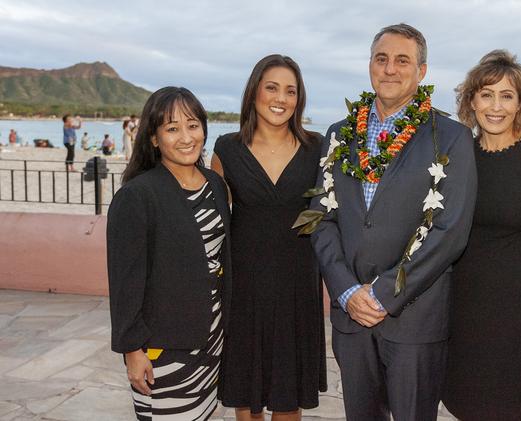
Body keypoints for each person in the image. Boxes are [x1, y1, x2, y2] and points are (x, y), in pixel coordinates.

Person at [307, 24, 477, 420]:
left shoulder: (450, 137)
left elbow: (450, 231)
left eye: (402, 60)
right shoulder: (339, 134)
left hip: (414, 321)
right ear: (370, 64)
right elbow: (322, 218)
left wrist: (384, 292)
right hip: (351, 318)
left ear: (422, 71)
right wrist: (347, 291)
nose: (389, 69)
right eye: (381, 59)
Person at [442, 50, 521, 420]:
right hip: (460, 301)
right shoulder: (455, 155)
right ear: (471, 101)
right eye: (487, 94)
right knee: (463, 403)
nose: (496, 106)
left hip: (515, 307)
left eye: (506, 95)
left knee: (503, 407)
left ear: (520, 103)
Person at [212, 54, 326, 421]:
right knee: (246, 395)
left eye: (291, 91)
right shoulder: (226, 149)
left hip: (297, 287)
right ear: (254, 92)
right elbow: (213, 222)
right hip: (244, 288)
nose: (281, 98)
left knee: (288, 397)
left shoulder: (318, 148)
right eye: (272, 88)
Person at [107, 86, 232, 421]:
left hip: (211, 336)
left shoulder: (215, 185)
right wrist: (132, 350)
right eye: (172, 128)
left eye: (193, 125)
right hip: (163, 347)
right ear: (153, 137)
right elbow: (125, 282)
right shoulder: (137, 196)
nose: (186, 137)